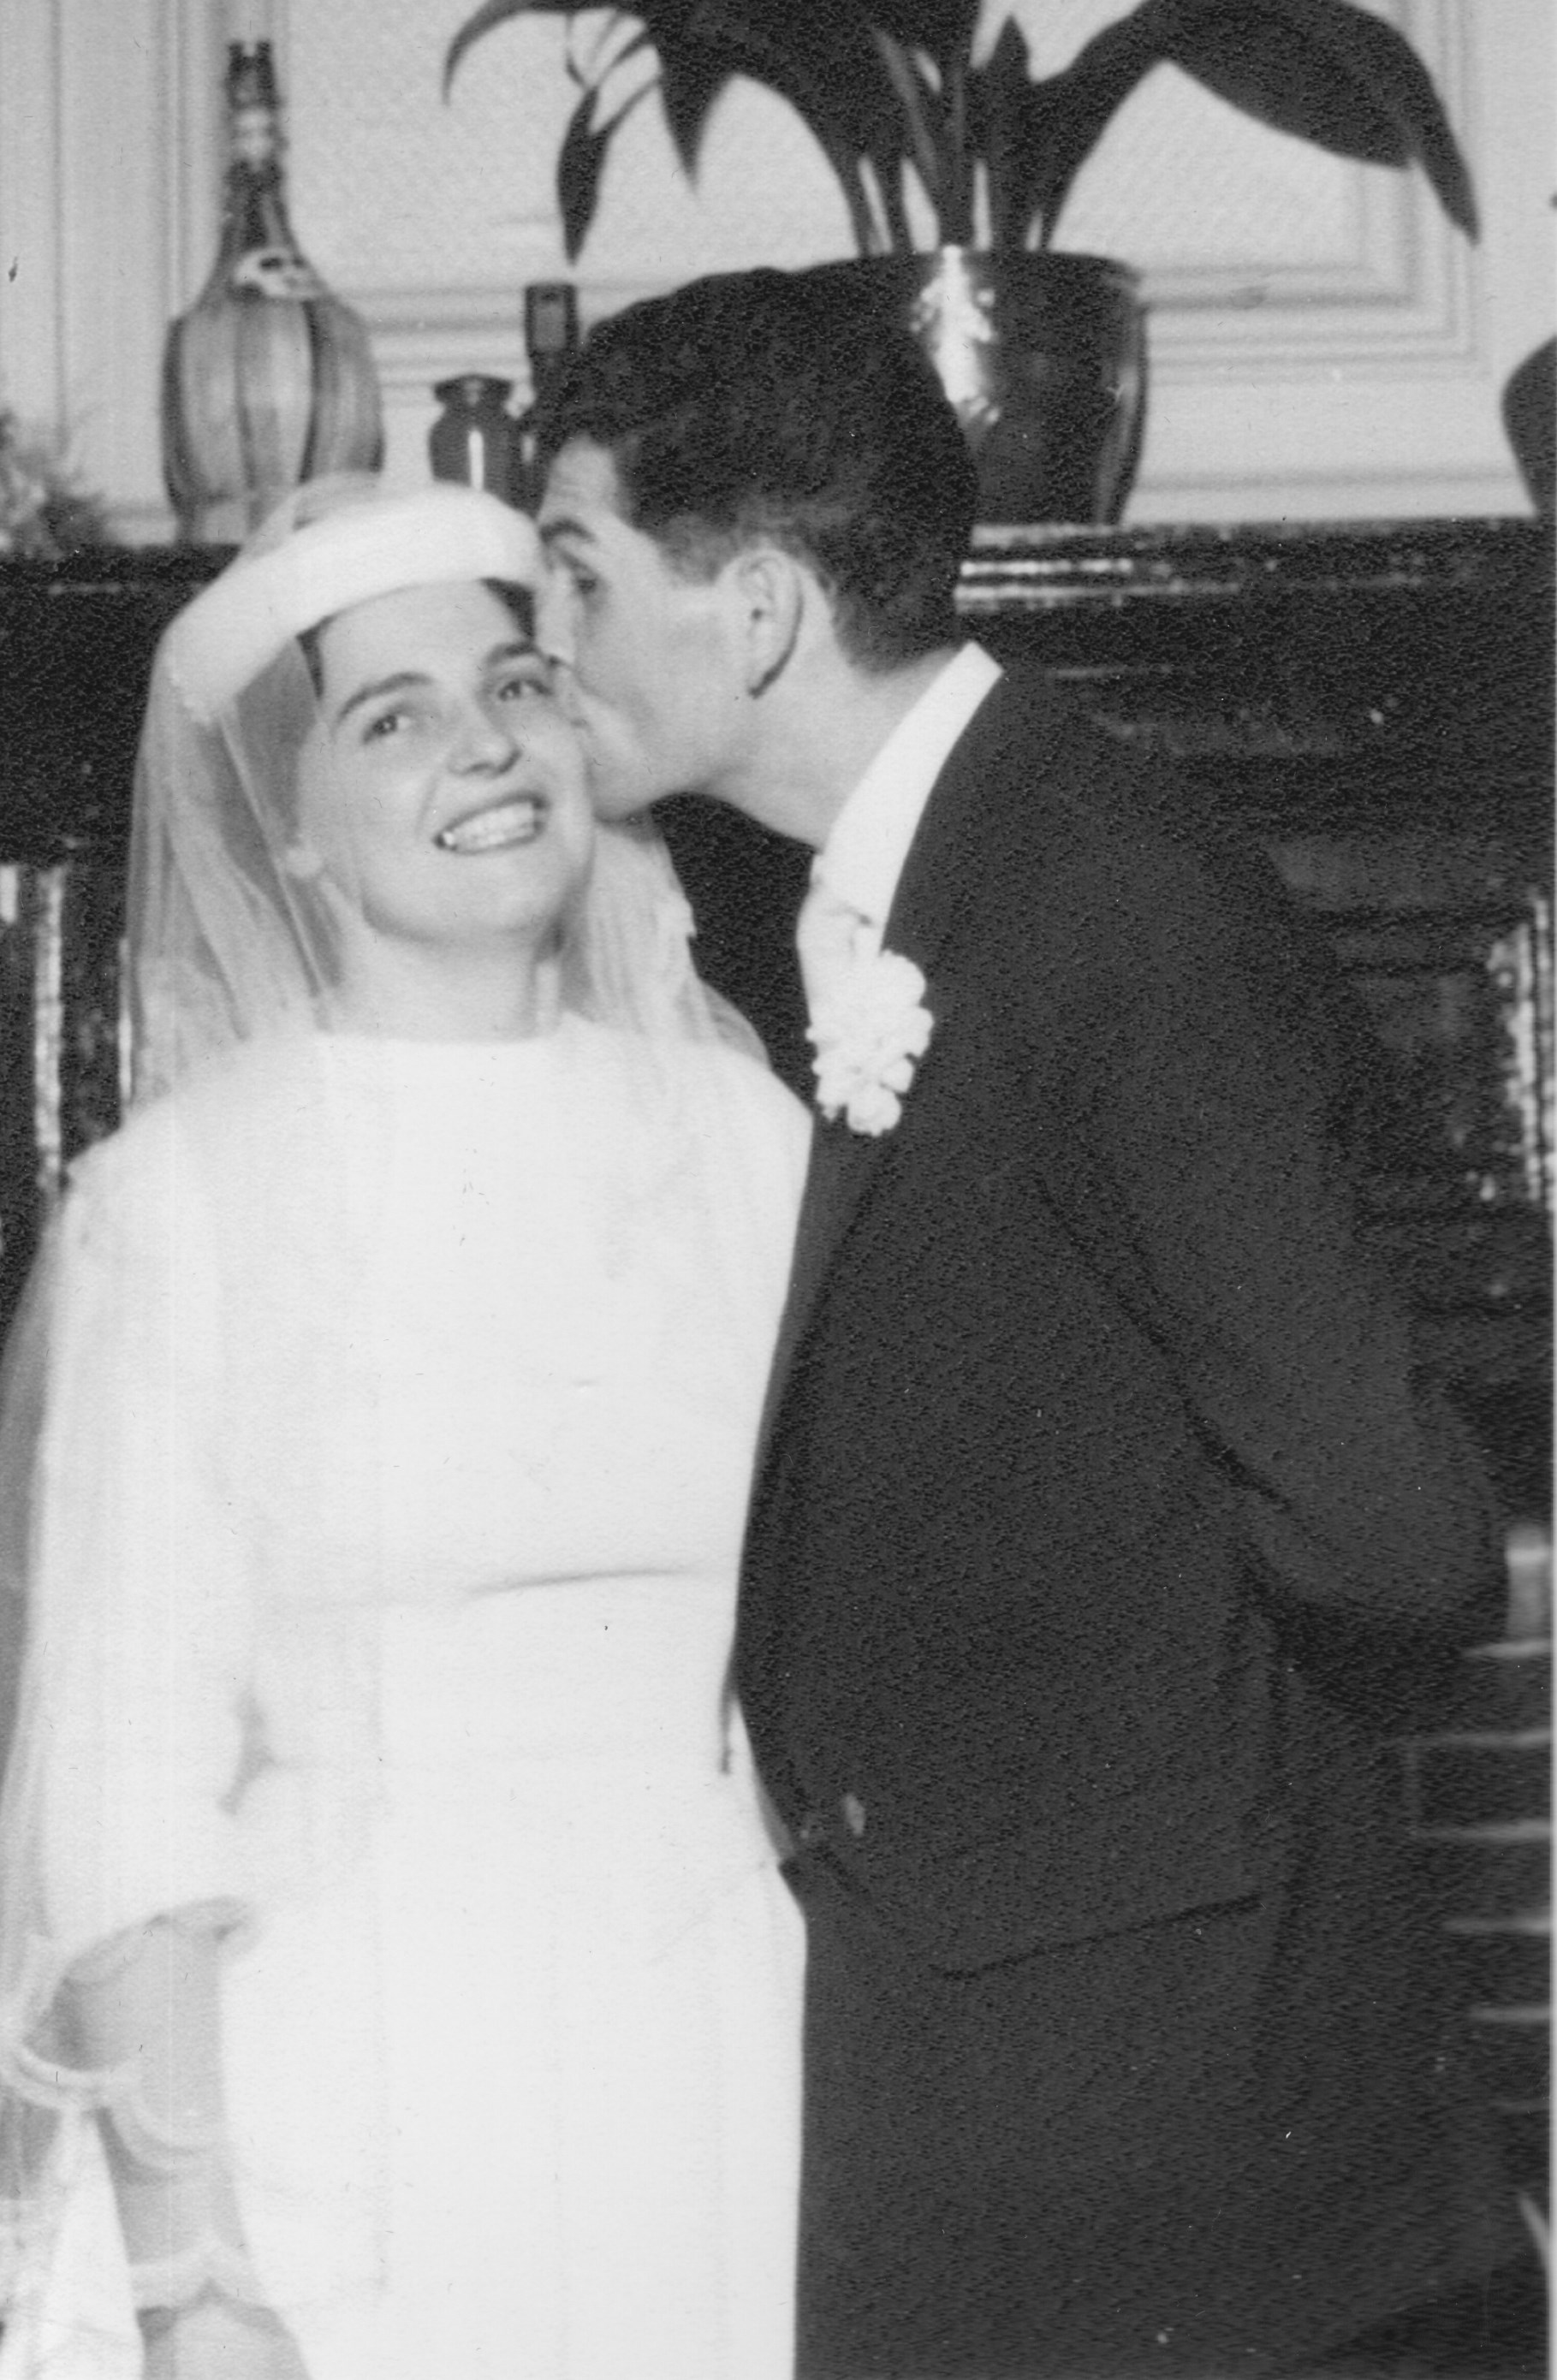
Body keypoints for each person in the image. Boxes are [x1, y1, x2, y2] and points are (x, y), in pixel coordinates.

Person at [532, 268, 1530, 2377]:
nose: (549, 643)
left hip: (1188, 2123)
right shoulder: (905, 879)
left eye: (579, 574)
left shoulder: (1110, 897)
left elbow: (1397, 1539)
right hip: (1011, 2074)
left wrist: (1145, 1794)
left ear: (758, 607)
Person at [0, 478, 811, 2378]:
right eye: (393, 717)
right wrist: (199, 2286)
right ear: (291, 826)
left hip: (715, 2064)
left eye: (517, 685)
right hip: (351, 2106)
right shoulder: (188, 1199)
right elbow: (122, 1794)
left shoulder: (750, 1145)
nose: (485, 744)